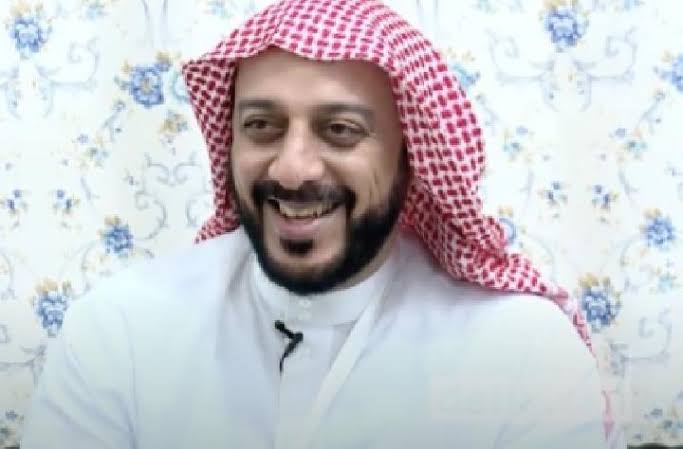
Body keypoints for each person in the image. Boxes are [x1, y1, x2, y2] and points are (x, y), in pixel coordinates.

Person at [21, 0, 614, 448]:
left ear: (410, 156)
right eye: (262, 127)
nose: (293, 168)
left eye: (340, 130)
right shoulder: (121, 331)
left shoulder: (523, 351)